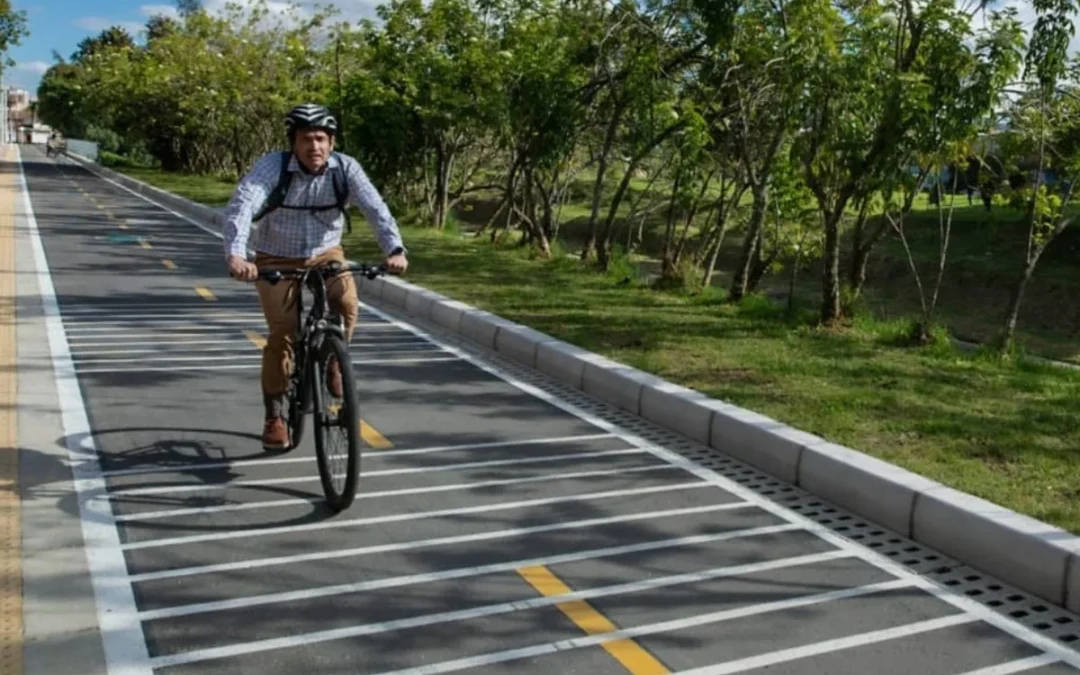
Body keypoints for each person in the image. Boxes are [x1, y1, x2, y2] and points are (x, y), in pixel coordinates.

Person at [223, 103, 408, 450]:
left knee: (347, 302)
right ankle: (275, 416)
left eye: (321, 139)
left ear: (332, 142)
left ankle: (334, 359)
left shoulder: (346, 168)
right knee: (283, 334)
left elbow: (376, 208)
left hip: (326, 253)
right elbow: (243, 205)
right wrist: (237, 254)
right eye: (306, 139)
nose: (314, 146)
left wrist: (395, 249)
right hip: (276, 256)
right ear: (293, 142)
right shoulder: (273, 167)